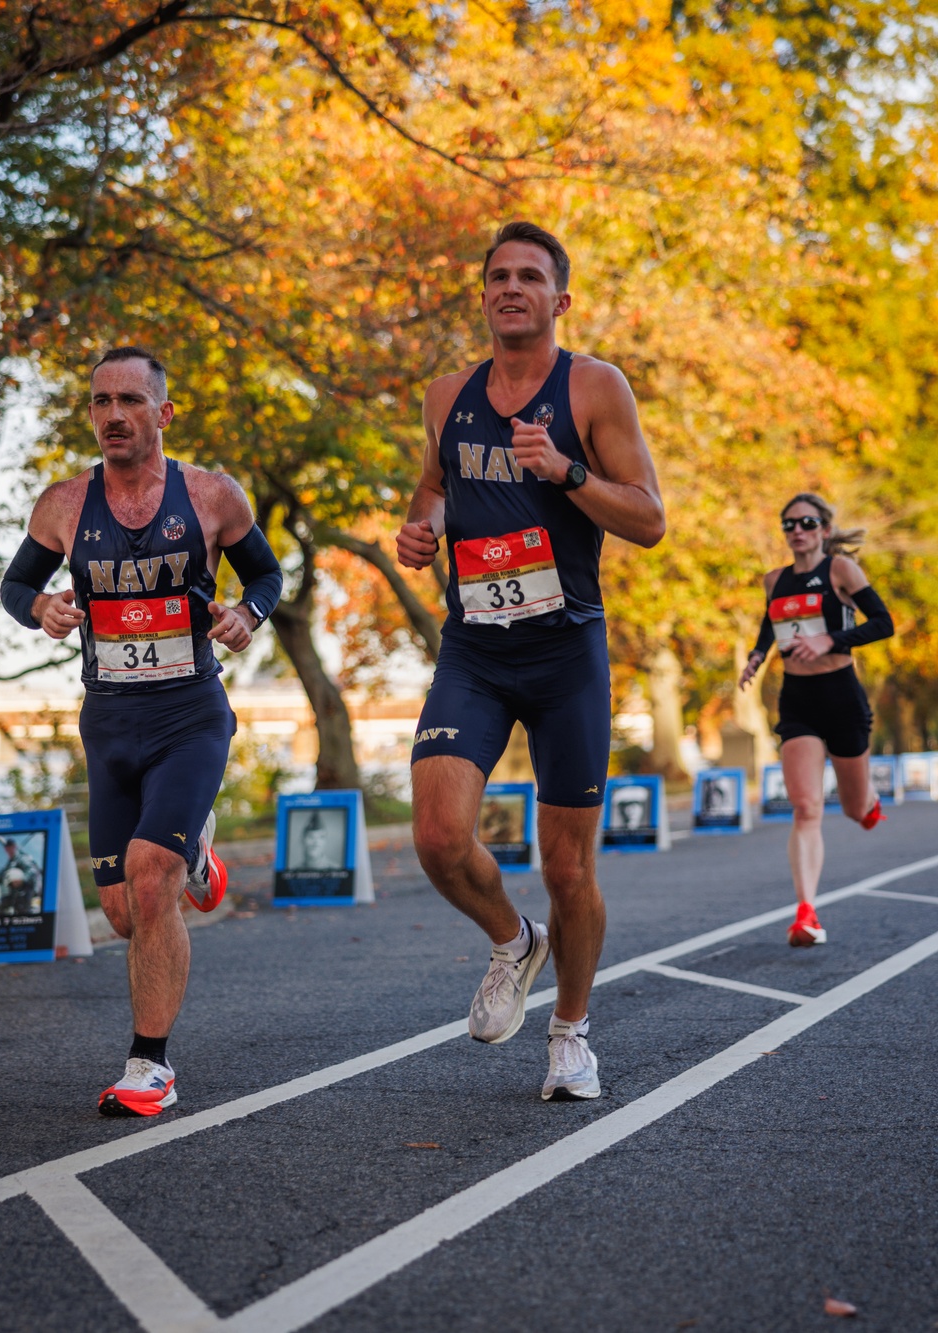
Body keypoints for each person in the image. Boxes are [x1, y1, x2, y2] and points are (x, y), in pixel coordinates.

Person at [396, 221, 665, 1101]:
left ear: (560, 300)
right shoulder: (446, 395)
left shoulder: (594, 387)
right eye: (498, 276)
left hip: (565, 651)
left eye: (530, 277)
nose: (512, 288)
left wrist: (565, 471)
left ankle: (570, 1032)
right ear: (483, 296)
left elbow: (650, 519)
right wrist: (424, 526)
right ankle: (515, 941)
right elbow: (435, 484)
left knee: (569, 868)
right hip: (475, 644)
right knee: (437, 836)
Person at [0, 346, 282, 1116]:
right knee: (125, 910)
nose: (114, 414)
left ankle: (149, 1065)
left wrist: (246, 612)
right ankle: (199, 853)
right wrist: (41, 609)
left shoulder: (212, 495)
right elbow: (16, 583)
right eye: (100, 402)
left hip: (189, 713)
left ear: (163, 412)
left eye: (130, 399)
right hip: (110, 721)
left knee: (151, 872)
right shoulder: (63, 505)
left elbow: (267, 574)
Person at [739, 492, 894, 946]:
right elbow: (772, 624)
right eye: (788, 524)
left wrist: (832, 641)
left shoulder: (841, 571)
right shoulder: (774, 580)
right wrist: (756, 654)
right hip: (798, 698)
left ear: (824, 530)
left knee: (853, 809)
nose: (797, 531)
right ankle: (805, 914)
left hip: (841, 694)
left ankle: (868, 802)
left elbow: (884, 623)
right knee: (806, 808)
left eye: (806, 522)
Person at [0, 838, 42, 914]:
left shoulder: (22, 858)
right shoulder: (10, 863)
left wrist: (21, 880)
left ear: (14, 847)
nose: (9, 850)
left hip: (26, 894)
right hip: (14, 894)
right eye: (7, 848)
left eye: (11, 847)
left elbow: (31, 871)